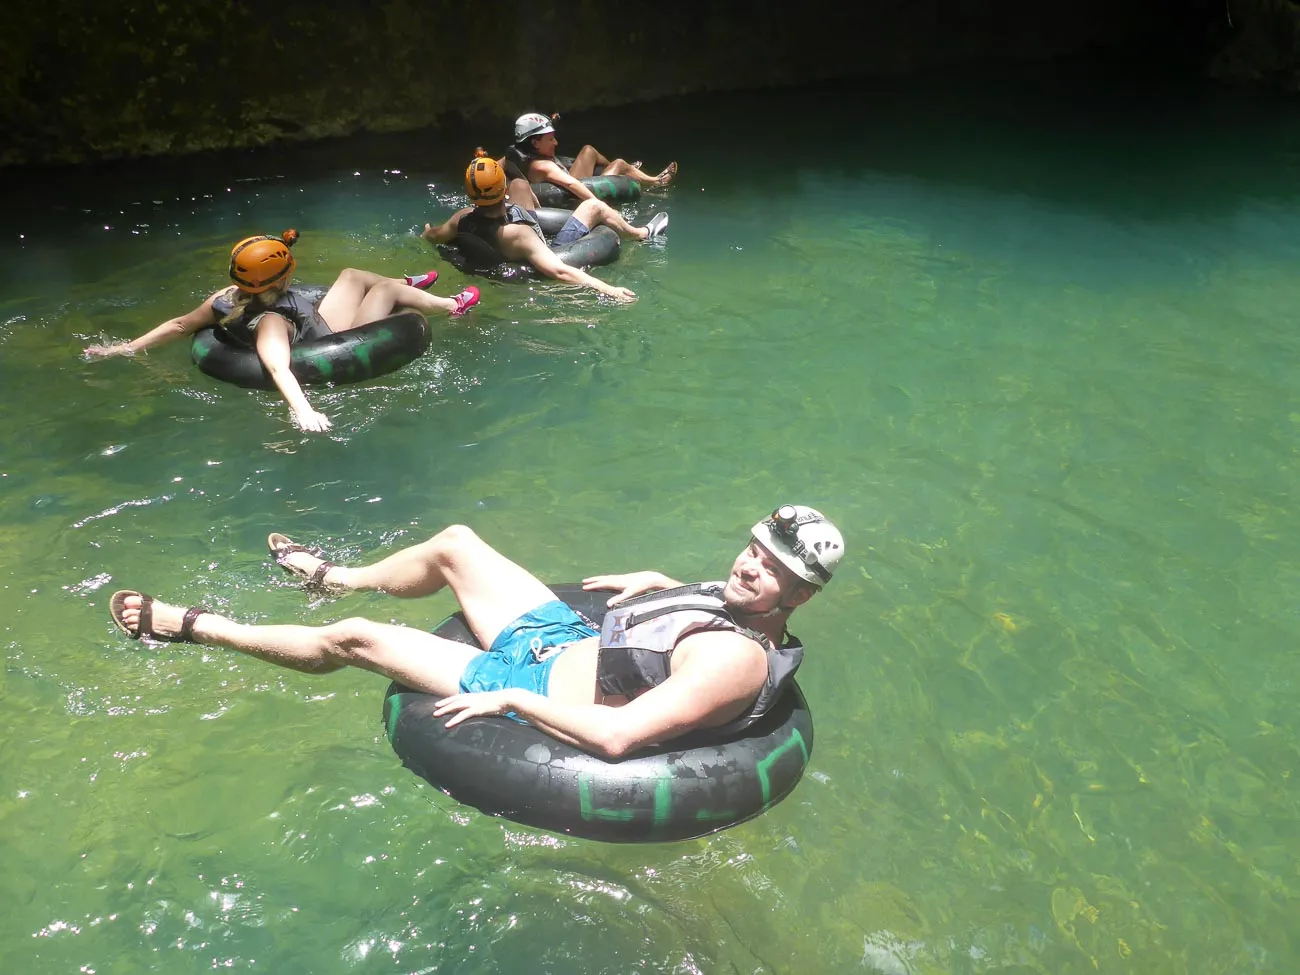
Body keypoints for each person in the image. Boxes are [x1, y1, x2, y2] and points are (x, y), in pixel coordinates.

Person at [106, 504, 844, 758]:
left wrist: (511, 704)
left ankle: (197, 628)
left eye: (774, 569)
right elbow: (705, 603)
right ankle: (335, 573)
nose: (750, 569)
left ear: (803, 594)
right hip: (561, 640)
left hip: (530, 684)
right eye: (752, 549)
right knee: (457, 540)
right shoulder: (733, 593)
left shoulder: (732, 662)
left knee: (357, 637)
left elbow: (618, 737)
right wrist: (654, 582)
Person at [84, 230, 483, 432]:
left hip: (312, 319)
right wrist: (304, 411)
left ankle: (408, 285)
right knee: (383, 291)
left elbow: (179, 324)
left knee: (350, 274)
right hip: (324, 337)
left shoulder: (224, 297)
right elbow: (278, 367)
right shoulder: (273, 320)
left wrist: (125, 348)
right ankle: (452, 306)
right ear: (285, 277)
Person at [421, 154, 668, 303]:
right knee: (594, 206)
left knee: (521, 184)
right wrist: (608, 289)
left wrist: (426, 231)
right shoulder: (518, 234)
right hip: (549, 251)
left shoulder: (460, 219)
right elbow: (560, 271)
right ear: (501, 189)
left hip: (497, 244)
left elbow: (432, 236)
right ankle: (641, 234)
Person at [503, 112, 677, 199]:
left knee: (588, 150)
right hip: (570, 197)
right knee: (619, 163)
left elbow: (493, 165)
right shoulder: (543, 166)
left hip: (563, 184)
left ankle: (621, 172)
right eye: (550, 140)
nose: (556, 143)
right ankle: (656, 182)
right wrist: (597, 204)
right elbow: (572, 184)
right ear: (535, 143)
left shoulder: (514, 156)